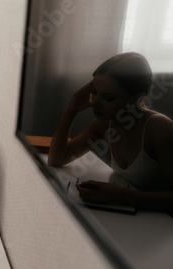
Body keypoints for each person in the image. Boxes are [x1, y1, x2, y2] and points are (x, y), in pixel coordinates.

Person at [48, 52, 173, 214]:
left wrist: (121, 195)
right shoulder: (105, 123)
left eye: (108, 98)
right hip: (137, 219)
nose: (96, 104)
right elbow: (57, 159)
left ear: (137, 99)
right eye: (95, 92)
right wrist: (71, 110)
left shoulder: (159, 128)